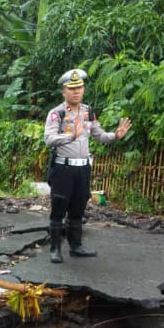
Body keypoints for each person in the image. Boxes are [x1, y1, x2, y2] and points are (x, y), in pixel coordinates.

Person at [44, 68, 132, 263]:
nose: (76, 91)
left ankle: (76, 246)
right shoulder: (57, 113)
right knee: (59, 208)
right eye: (71, 88)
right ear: (64, 91)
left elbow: (99, 135)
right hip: (63, 169)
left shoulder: (88, 112)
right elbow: (49, 139)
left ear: (83, 89)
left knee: (78, 207)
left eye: (80, 87)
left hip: (83, 168)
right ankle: (55, 249)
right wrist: (71, 136)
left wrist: (115, 136)